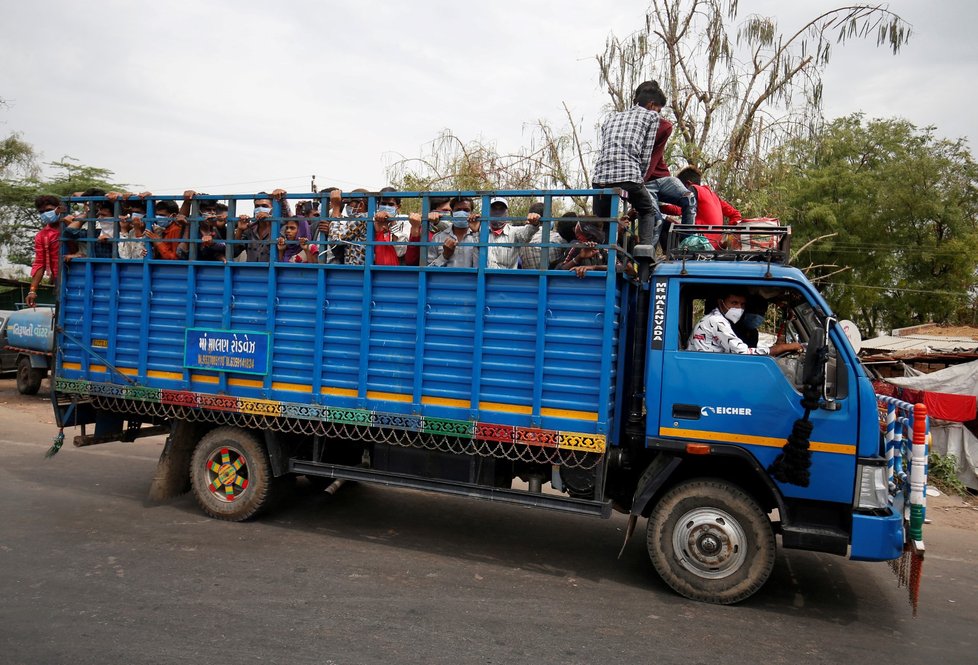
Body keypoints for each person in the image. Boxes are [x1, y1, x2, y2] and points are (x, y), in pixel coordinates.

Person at [591, 82, 662, 248]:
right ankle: (644, 252)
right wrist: (639, 179)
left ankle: (602, 255)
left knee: (604, 220)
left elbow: (607, 148)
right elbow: (645, 155)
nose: (659, 113)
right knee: (647, 210)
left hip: (599, 179)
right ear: (652, 105)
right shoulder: (651, 116)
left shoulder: (611, 117)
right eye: (659, 109)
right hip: (629, 176)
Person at [635, 83, 696, 250]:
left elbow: (653, 157)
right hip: (642, 182)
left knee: (689, 197)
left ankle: (687, 245)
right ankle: (647, 261)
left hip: (660, 178)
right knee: (656, 220)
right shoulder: (631, 125)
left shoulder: (663, 126)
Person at [688, 290, 801, 356]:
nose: (739, 308)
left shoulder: (716, 319)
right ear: (720, 302)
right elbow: (744, 353)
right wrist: (782, 348)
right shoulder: (716, 321)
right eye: (734, 303)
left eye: (742, 305)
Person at [664, 167, 741, 249]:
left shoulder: (693, 189)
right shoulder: (714, 196)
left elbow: (678, 210)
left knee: (664, 222)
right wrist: (726, 234)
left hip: (701, 243)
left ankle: (668, 256)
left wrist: (659, 205)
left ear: (687, 184)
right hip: (716, 246)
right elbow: (736, 214)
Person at [485, 197, 540, 269]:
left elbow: (526, 233)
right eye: (494, 209)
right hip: (484, 278)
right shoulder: (482, 232)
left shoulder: (514, 232)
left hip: (506, 278)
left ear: (506, 212)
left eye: (501, 209)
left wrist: (534, 223)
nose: (497, 212)